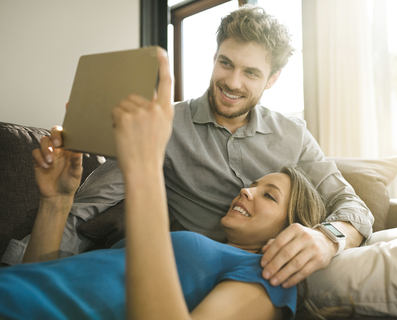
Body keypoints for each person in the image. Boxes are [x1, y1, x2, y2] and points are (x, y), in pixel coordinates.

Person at [1, 5, 374, 290]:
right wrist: (21, 274)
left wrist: (328, 239)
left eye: (251, 73)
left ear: (272, 79)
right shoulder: (164, 123)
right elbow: (84, 210)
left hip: (254, 276)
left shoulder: (293, 135)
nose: (231, 81)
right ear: (213, 59)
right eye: (225, 63)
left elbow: (353, 206)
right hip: (187, 272)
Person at [0, 48, 332, 320]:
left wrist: (144, 166)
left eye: (269, 196)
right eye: (225, 63)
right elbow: (37, 280)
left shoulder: (266, 277)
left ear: (291, 229)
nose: (246, 189)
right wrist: (56, 202)